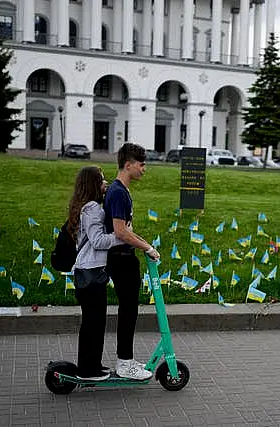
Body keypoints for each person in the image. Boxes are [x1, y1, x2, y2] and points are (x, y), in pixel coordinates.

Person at [104, 143, 160, 381]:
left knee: (131, 310)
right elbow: (120, 232)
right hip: (121, 259)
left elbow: (128, 230)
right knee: (128, 311)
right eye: (141, 164)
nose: (144, 169)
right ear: (128, 165)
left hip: (126, 257)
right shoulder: (117, 192)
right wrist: (146, 246)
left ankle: (125, 360)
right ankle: (124, 364)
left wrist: (147, 246)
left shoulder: (120, 190)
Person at [69, 166, 121, 381]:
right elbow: (98, 241)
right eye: (101, 180)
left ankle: (93, 365)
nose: (105, 183)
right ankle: (87, 369)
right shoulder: (91, 209)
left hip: (90, 271)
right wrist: (122, 236)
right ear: (92, 184)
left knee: (95, 321)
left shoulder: (87, 207)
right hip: (89, 273)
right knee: (93, 322)